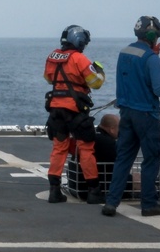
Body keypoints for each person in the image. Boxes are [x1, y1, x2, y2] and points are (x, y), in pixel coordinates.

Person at [101, 16, 160, 218]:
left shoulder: (124, 52)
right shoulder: (152, 59)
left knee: (123, 158)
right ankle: (149, 204)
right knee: (151, 158)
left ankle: (111, 203)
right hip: (146, 115)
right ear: (152, 35)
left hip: (126, 113)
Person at [44, 24, 106, 204]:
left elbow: (48, 78)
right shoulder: (80, 58)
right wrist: (99, 70)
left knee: (59, 147)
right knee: (86, 148)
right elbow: (95, 83)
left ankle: (54, 191)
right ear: (79, 41)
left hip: (56, 109)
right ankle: (94, 190)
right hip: (75, 110)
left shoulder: (52, 57)